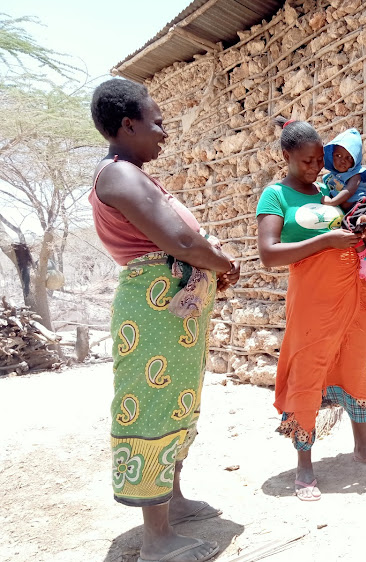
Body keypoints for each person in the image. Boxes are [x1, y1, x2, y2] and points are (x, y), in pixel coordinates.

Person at [90, 78, 240, 562]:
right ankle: (157, 539)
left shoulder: (133, 174)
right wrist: (223, 264)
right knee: (152, 404)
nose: (164, 132)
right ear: (128, 124)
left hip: (172, 310)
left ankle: (171, 501)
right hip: (152, 309)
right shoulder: (117, 176)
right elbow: (179, 241)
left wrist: (208, 263)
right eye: (156, 122)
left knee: (178, 400)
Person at [256, 118, 366, 502]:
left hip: (352, 291)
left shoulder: (326, 190)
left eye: (320, 159)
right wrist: (325, 243)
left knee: (353, 364)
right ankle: (304, 467)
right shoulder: (275, 196)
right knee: (308, 369)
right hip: (311, 300)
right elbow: (269, 254)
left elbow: (347, 223)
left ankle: (363, 448)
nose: (316, 167)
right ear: (286, 156)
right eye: (306, 160)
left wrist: (362, 228)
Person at [320, 127, 366, 280]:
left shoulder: (355, 175)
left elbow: (348, 192)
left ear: (355, 161)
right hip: (350, 210)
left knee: (351, 229)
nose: (343, 160)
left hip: (359, 206)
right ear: (331, 156)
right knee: (354, 230)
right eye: (338, 155)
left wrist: (332, 202)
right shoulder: (330, 178)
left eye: (349, 158)